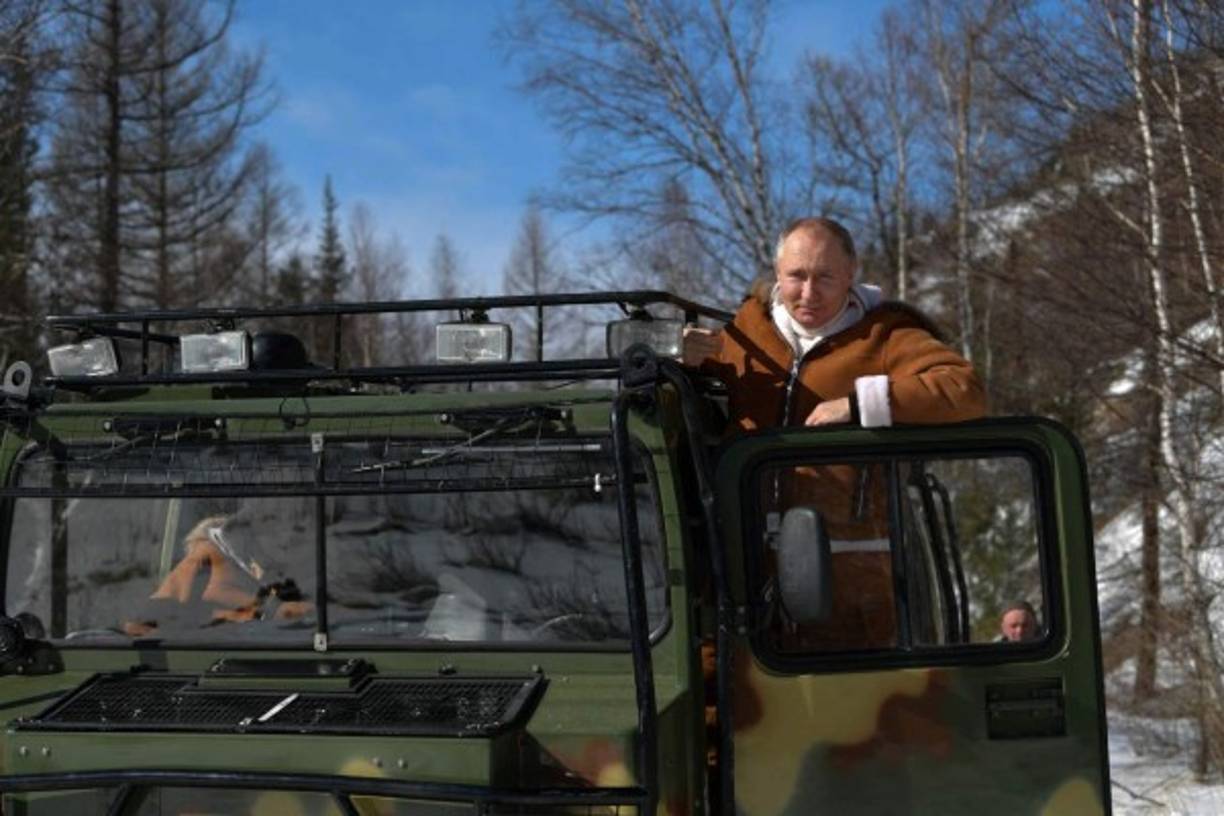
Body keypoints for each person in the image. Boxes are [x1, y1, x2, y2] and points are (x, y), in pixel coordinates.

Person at [684, 216, 987, 650]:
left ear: (851, 273)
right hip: (746, 583)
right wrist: (684, 357)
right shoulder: (745, 334)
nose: (808, 293)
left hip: (852, 586)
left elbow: (965, 390)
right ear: (777, 273)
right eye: (796, 276)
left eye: (825, 277)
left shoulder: (884, 336)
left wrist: (861, 404)